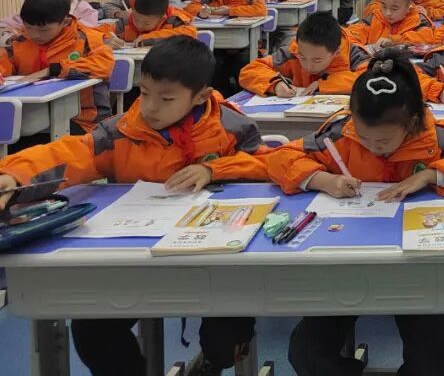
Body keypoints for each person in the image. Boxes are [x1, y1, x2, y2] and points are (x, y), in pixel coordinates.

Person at [0, 37, 266, 376]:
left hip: (216, 259)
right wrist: (15, 176)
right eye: (144, 93)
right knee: (92, 328)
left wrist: (214, 169)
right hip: (134, 257)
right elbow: (73, 153)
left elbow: (265, 167)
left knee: (226, 335)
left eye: (166, 99)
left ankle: (213, 363)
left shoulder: (233, 128)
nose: (150, 108)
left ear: (200, 96)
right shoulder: (122, 130)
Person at [267, 50, 444, 376]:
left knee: (431, 366)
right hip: (346, 262)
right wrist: (324, 180)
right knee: (306, 354)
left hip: (417, 268)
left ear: (412, 122)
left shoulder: (434, 141)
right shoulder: (340, 137)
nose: (373, 146)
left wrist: (430, 175)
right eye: (364, 137)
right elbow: (278, 160)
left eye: (384, 140)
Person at [0, 0, 114, 133]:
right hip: (30, 116)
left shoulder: (85, 40)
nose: (34, 35)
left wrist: (53, 70)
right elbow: (4, 61)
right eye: (28, 27)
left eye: (43, 29)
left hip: (82, 119)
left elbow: (104, 65)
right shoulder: (20, 42)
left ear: (65, 22)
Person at [240, 12, 367, 97]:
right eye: (303, 57)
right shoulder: (292, 52)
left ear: (336, 52)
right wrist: (275, 85)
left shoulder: (353, 55)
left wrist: (324, 84)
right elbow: (250, 70)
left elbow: (370, 79)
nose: (308, 66)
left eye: (317, 60)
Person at [345, 0, 444, 49]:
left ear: (409, 7)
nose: (388, 13)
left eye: (394, 9)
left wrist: (395, 41)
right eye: (384, 6)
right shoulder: (374, 18)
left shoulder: (419, 20)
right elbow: (352, 34)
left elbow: (426, 38)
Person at [103, 0, 196, 49]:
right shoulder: (127, 22)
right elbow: (99, 31)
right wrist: (106, 39)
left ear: (161, 18)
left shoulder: (173, 20)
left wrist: (149, 38)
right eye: (136, 19)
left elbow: (190, 32)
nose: (139, 25)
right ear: (133, 11)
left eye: (146, 23)